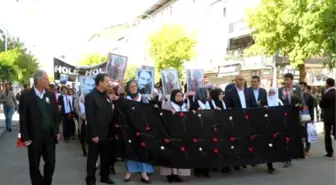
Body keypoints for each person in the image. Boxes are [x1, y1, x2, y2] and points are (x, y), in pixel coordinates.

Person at [19, 70, 60, 185]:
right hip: (33, 137)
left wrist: (56, 130)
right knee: (34, 164)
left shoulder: (50, 95)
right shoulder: (26, 96)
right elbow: (23, 118)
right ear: (38, 81)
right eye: (46, 79)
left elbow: (54, 114)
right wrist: (25, 137)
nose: (48, 81)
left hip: (49, 136)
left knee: (51, 163)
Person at [85, 73, 115, 185]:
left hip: (107, 133)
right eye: (107, 81)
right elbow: (90, 117)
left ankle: (104, 176)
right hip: (96, 134)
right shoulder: (90, 96)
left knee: (105, 157)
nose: (109, 83)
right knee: (92, 158)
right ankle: (90, 179)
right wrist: (93, 134)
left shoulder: (106, 96)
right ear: (100, 82)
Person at [123, 80, 153, 184]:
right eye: (131, 86)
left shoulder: (144, 99)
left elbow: (149, 113)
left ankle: (144, 172)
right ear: (128, 88)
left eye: (135, 86)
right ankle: (129, 171)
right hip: (129, 129)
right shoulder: (125, 100)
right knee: (130, 149)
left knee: (143, 149)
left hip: (142, 129)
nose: (133, 88)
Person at [160, 89, 191, 182]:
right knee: (170, 153)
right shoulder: (168, 105)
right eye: (177, 96)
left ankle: (177, 174)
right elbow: (162, 116)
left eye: (181, 96)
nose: (179, 97)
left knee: (180, 153)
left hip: (181, 132)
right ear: (173, 96)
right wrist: (169, 114)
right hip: (170, 133)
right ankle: (169, 174)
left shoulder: (185, 105)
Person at [278, 73, 303, 167]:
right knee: (283, 136)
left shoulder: (296, 89)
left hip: (293, 115)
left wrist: (293, 95)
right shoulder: (280, 90)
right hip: (283, 116)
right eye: (285, 80)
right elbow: (277, 101)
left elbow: (301, 101)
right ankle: (285, 156)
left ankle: (290, 157)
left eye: (288, 80)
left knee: (292, 137)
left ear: (292, 80)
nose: (286, 82)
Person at [190, 88, 211, 178]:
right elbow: (191, 115)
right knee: (198, 149)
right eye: (206, 93)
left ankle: (206, 170)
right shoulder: (195, 103)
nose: (208, 94)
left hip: (208, 129)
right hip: (198, 130)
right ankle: (197, 170)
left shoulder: (209, 103)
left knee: (207, 149)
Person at [319, 78, 336, 157]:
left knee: (327, 134)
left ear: (327, 84)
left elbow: (321, 104)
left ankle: (330, 151)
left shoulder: (326, 94)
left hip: (328, 116)